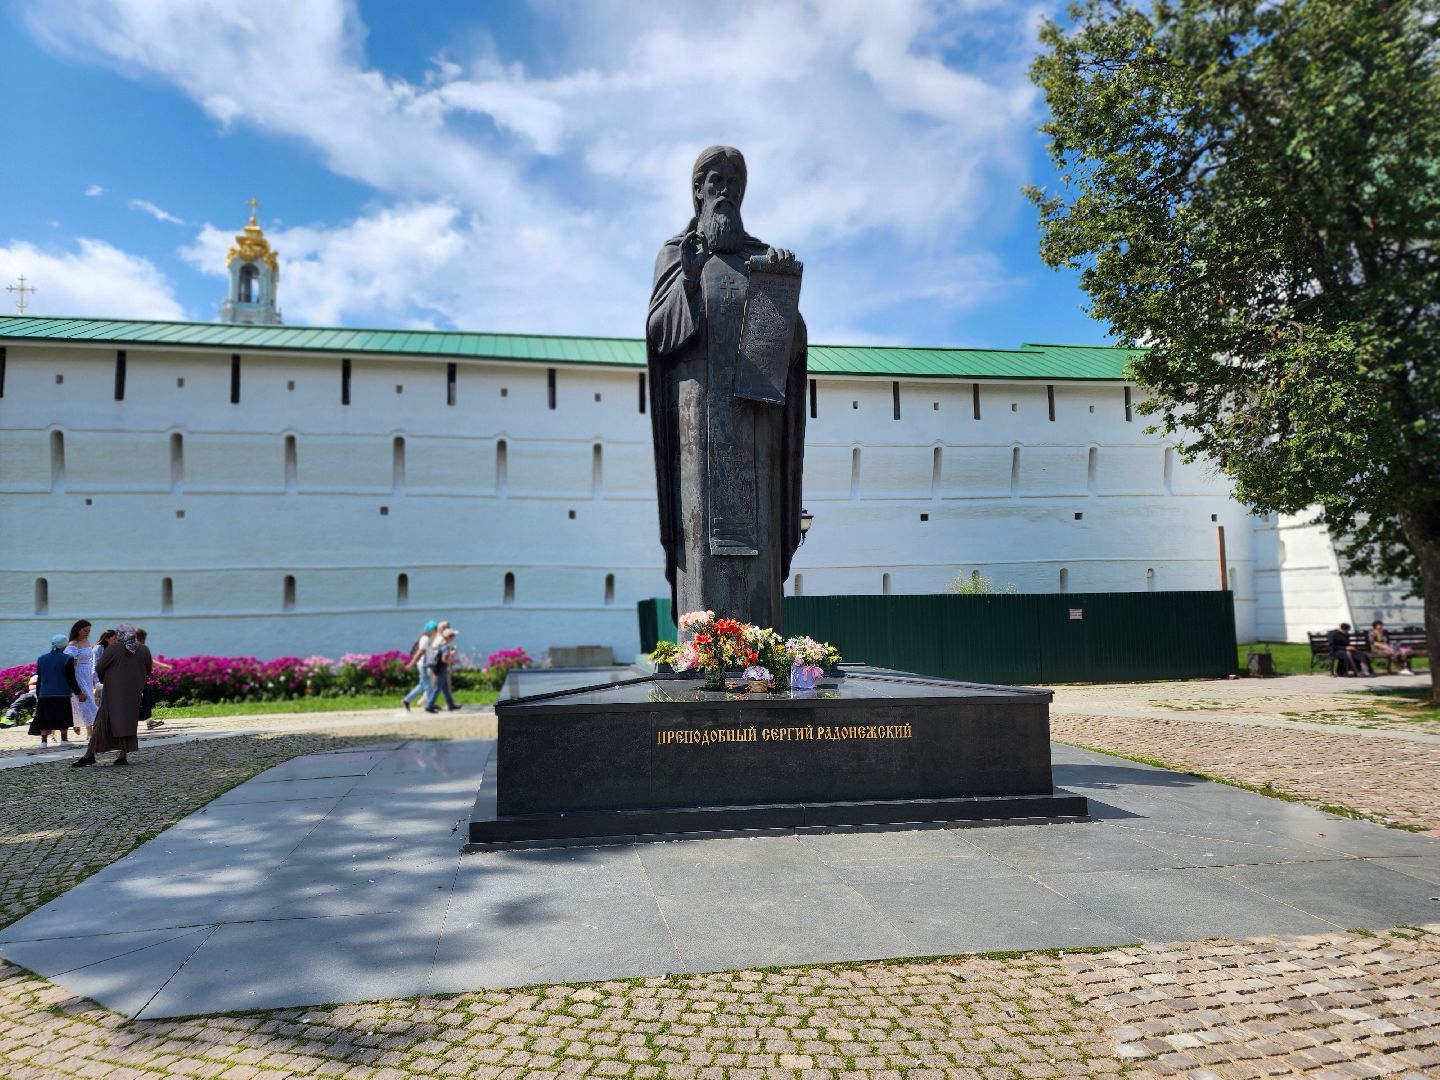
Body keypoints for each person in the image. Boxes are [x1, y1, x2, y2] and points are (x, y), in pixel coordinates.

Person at [647, 145, 808, 630]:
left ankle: (761, 639)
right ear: (697, 191)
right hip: (698, 416)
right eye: (714, 180)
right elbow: (660, 333)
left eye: (734, 182)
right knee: (700, 531)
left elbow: (794, 346)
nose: (725, 189)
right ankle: (703, 646)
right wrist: (691, 282)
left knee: (756, 522)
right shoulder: (677, 254)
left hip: (754, 421)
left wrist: (779, 291)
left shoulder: (762, 258)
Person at [71, 623, 151, 768]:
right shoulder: (144, 649)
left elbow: (100, 667)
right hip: (134, 693)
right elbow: (149, 669)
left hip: (113, 693)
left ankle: (89, 755)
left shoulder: (114, 649)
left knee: (102, 723)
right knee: (128, 724)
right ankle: (122, 755)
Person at [31, 634, 84, 749]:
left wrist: (39, 694)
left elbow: (40, 679)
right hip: (62, 693)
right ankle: (64, 740)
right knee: (63, 716)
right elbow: (71, 679)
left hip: (44, 693)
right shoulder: (67, 659)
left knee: (44, 718)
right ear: (64, 645)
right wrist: (79, 693)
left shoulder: (41, 659)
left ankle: (43, 742)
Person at [65, 619, 98, 736]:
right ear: (78, 630)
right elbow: (70, 664)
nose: (87, 632)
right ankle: (90, 732)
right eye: (85, 630)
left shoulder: (86, 641)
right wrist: (73, 681)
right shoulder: (73, 644)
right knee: (85, 701)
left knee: (89, 700)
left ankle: (88, 728)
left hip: (87, 674)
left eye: (89, 630)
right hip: (79, 674)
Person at [134, 628, 170, 729]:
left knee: (145, 699)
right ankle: (136, 722)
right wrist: (163, 666)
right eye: (143, 638)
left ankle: (149, 721)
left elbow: (149, 661)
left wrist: (163, 666)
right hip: (136, 679)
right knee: (140, 700)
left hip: (140, 677)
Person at [401, 619, 439, 711]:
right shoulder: (425, 639)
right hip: (423, 665)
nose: (437, 631)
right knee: (428, 686)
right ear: (431, 630)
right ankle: (430, 705)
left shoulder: (428, 639)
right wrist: (411, 664)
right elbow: (420, 652)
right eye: (435, 629)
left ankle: (406, 700)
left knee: (422, 686)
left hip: (425, 665)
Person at [425, 627, 461, 712]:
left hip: (440, 668)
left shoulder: (442, 644)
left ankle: (451, 704)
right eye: (452, 636)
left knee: (445, 687)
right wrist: (453, 661)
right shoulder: (445, 646)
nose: (453, 638)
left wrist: (451, 654)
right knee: (438, 687)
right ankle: (429, 705)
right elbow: (444, 659)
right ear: (448, 637)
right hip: (441, 668)